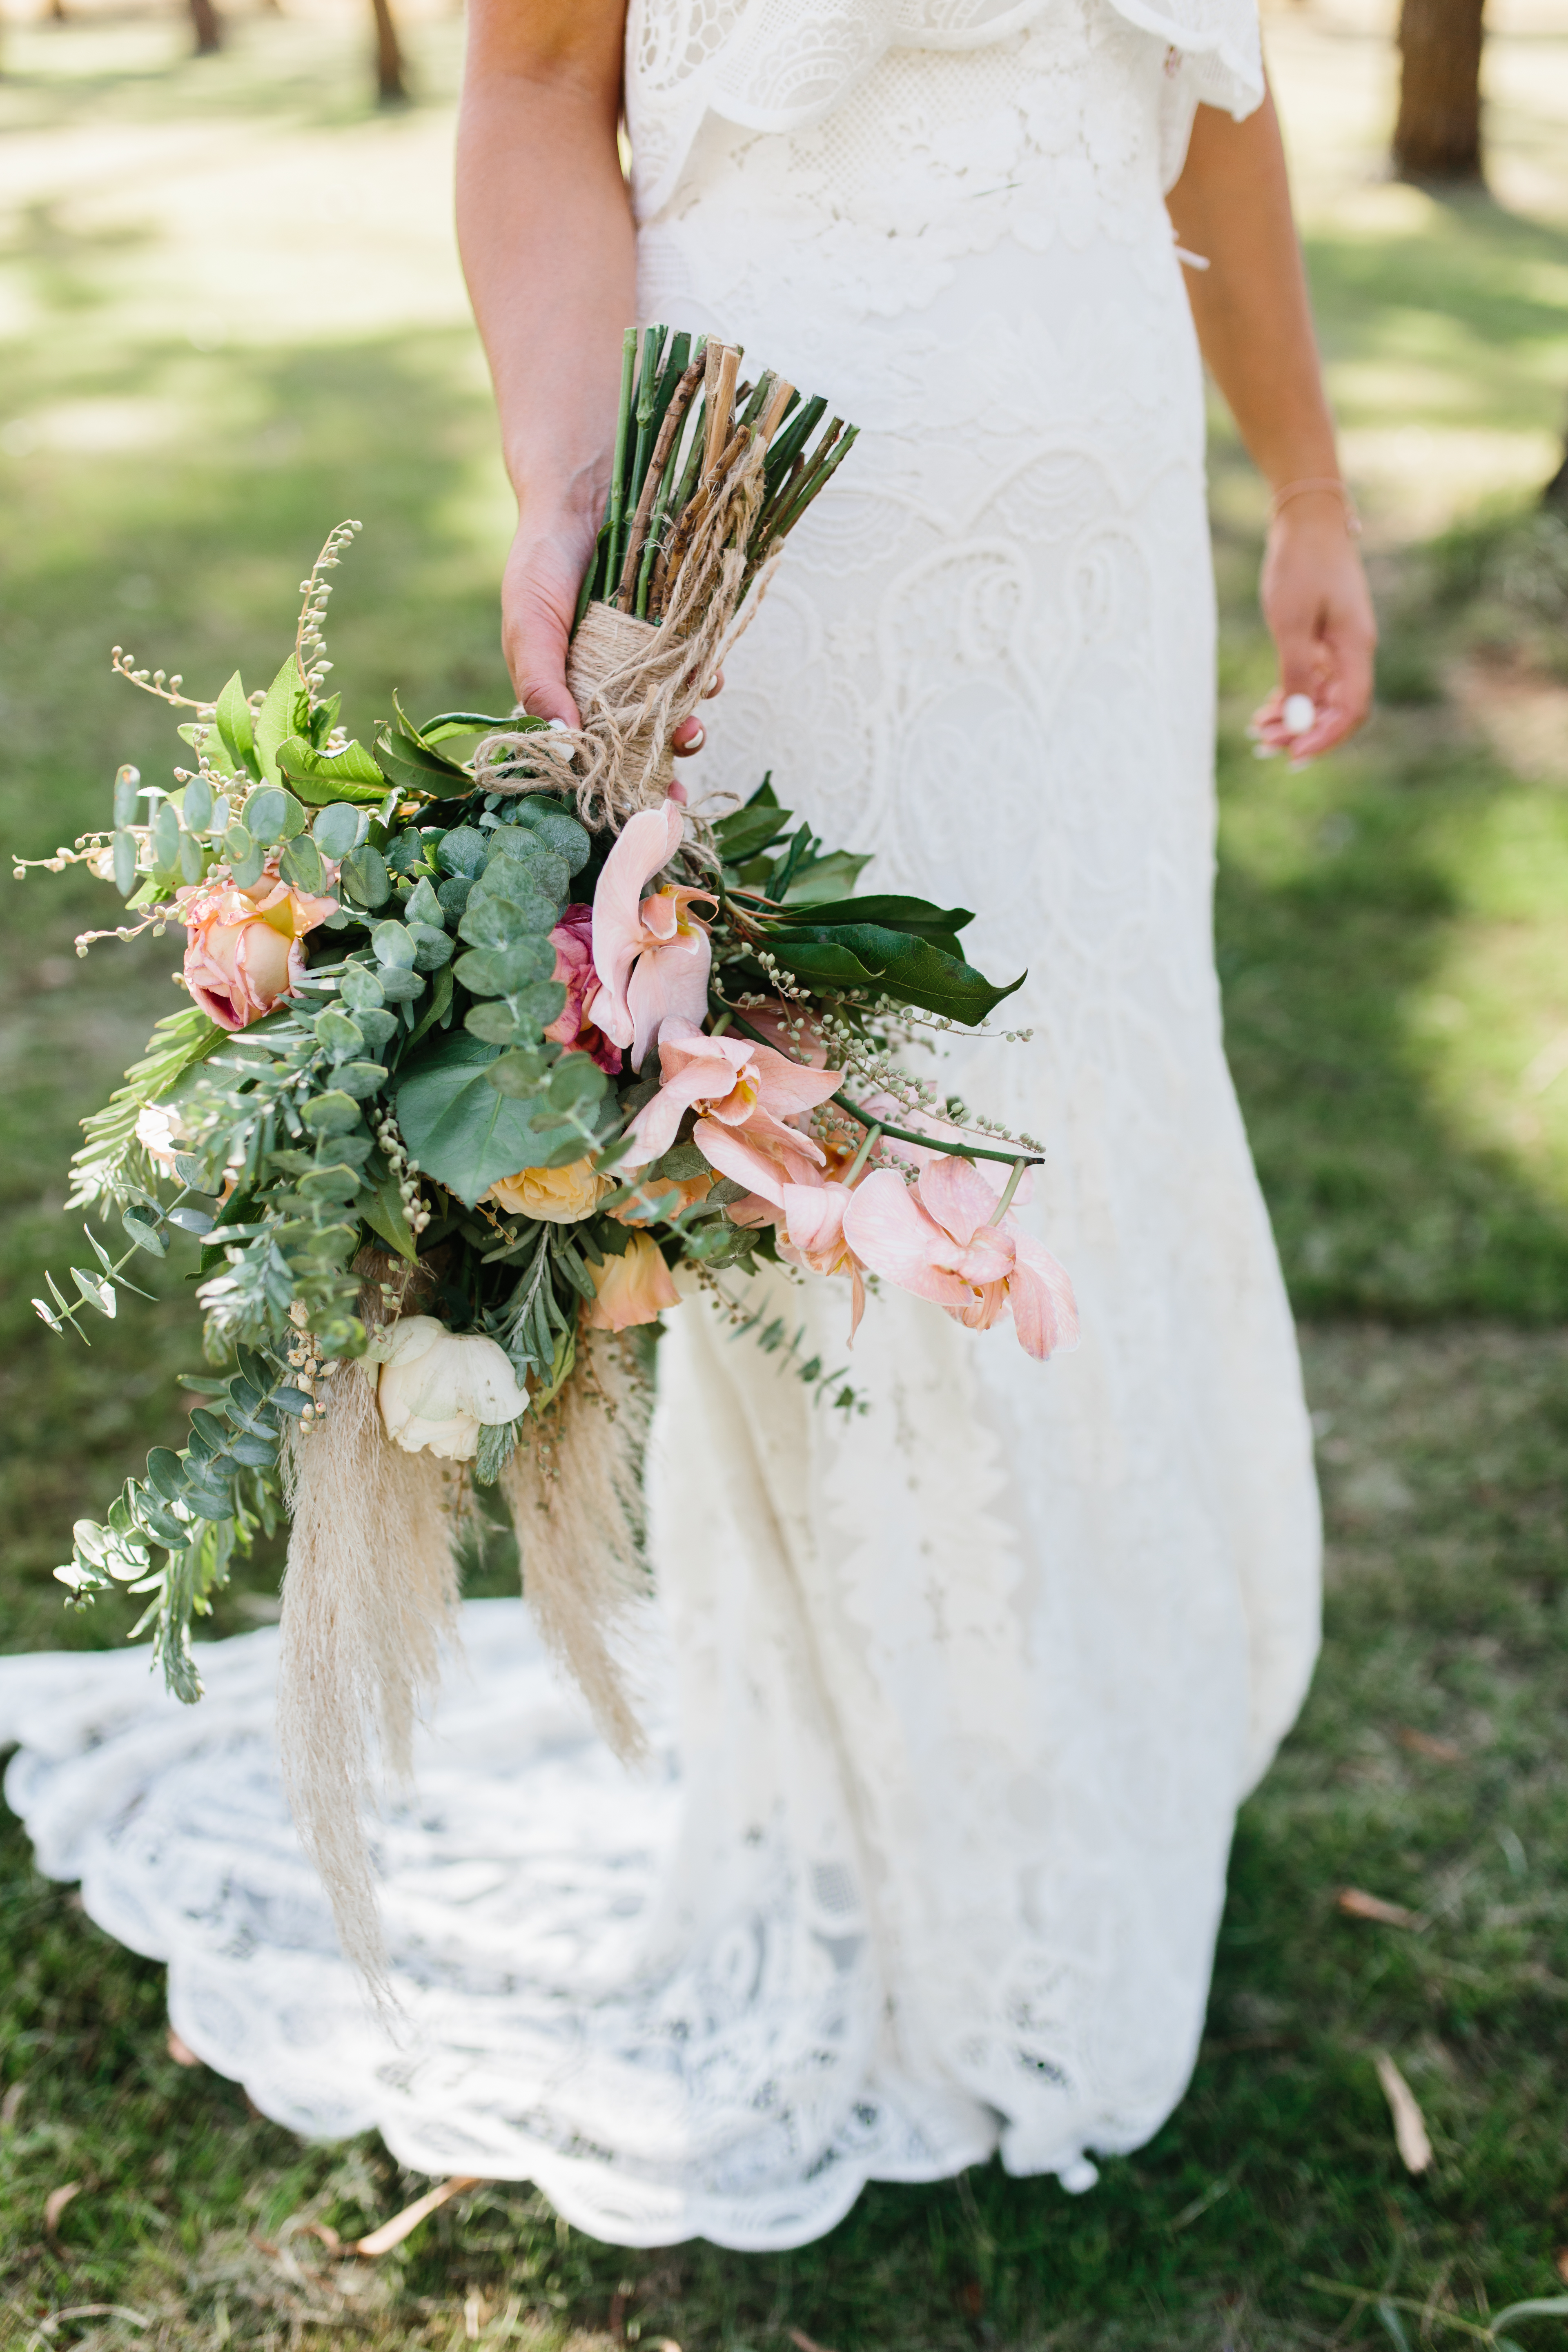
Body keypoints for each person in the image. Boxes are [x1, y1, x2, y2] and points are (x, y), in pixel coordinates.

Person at [0, 0, 1374, 2255]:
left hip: (1104, 537)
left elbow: (1209, 78)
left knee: (1096, 1104)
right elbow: (538, 81)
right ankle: (902, 1855)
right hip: (783, 519)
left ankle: (1087, 1789)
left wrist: (1308, 484)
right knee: (852, 1152)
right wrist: (572, 475)